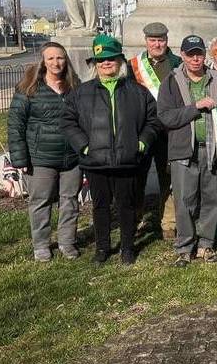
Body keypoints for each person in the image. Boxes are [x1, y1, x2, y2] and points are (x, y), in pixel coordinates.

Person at [62, 34, 162, 265]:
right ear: (95, 64)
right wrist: (84, 147)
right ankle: (102, 248)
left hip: (127, 160)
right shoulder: (81, 93)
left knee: (126, 206)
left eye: (111, 59)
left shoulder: (137, 92)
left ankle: (127, 248)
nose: (106, 63)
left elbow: (153, 120)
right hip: (96, 162)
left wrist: (141, 143)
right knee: (100, 207)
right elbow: (68, 121)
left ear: (120, 61)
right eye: (101, 60)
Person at [7, 42, 83, 261]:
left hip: (72, 157)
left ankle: (67, 242)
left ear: (65, 60)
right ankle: (41, 244)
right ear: (42, 61)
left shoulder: (75, 86)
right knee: (40, 201)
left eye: (59, 58)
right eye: (50, 58)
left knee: (70, 201)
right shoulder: (29, 88)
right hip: (40, 158)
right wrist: (19, 157)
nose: (55, 62)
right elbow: (15, 124)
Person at [157, 35, 217, 267]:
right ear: (182, 55)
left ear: (205, 55)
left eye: (199, 53)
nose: (196, 58)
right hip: (184, 151)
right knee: (184, 200)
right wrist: (195, 107)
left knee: (211, 198)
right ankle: (184, 246)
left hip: (213, 149)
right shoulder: (171, 81)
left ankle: (206, 244)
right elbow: (166, 117)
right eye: (190, 54)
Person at [129, 22, 182, 241]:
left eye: (161, 40)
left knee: (167, 178)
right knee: (136, 177)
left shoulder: (178, 63)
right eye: (153, 40)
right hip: (142, 130)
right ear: (146, 41)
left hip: (169, 131)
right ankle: (135, 218)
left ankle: (168, 222)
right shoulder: (133, 66)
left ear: (167, 41)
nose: (157, 44)